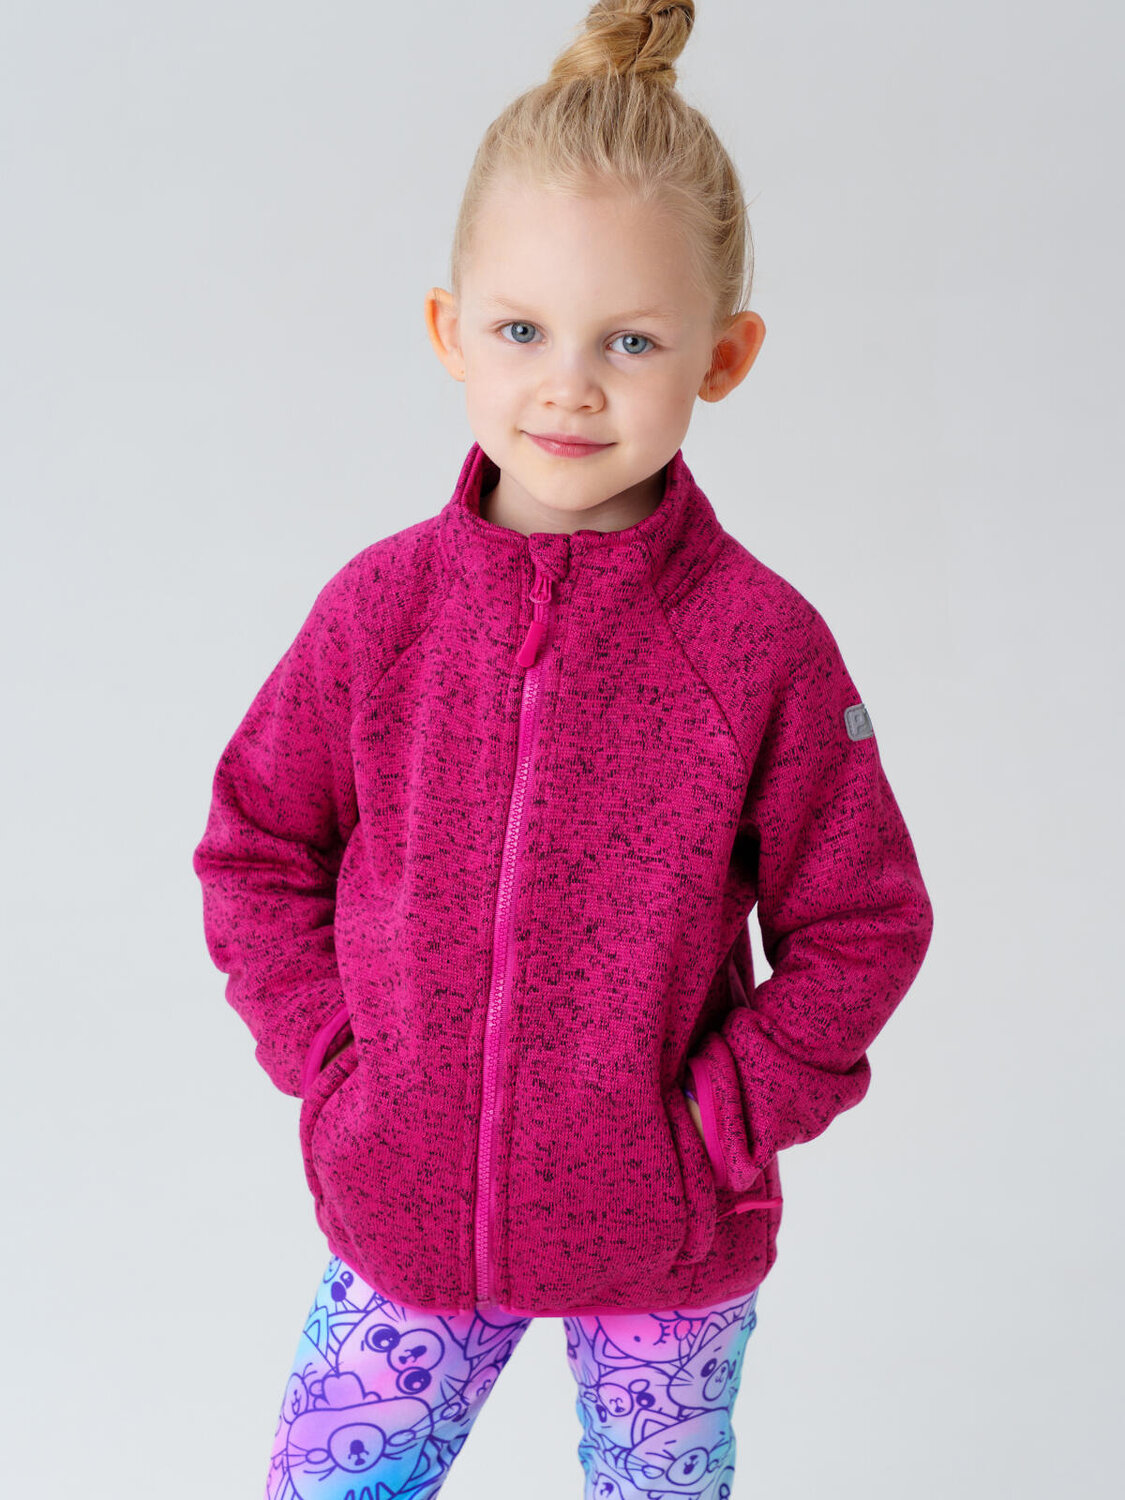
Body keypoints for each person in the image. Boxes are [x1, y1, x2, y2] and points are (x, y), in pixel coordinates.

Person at [191, 3, 935, 1496]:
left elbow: (862, 920)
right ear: (448, 331)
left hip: (666, 1242)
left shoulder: (757, 645)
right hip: (404, 1220)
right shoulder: (381, 614)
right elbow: (257, 845)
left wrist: (720, 1119)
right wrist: (339, 1069)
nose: (570, 385)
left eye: (631, 341)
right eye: (522, 329)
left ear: (724, 356)